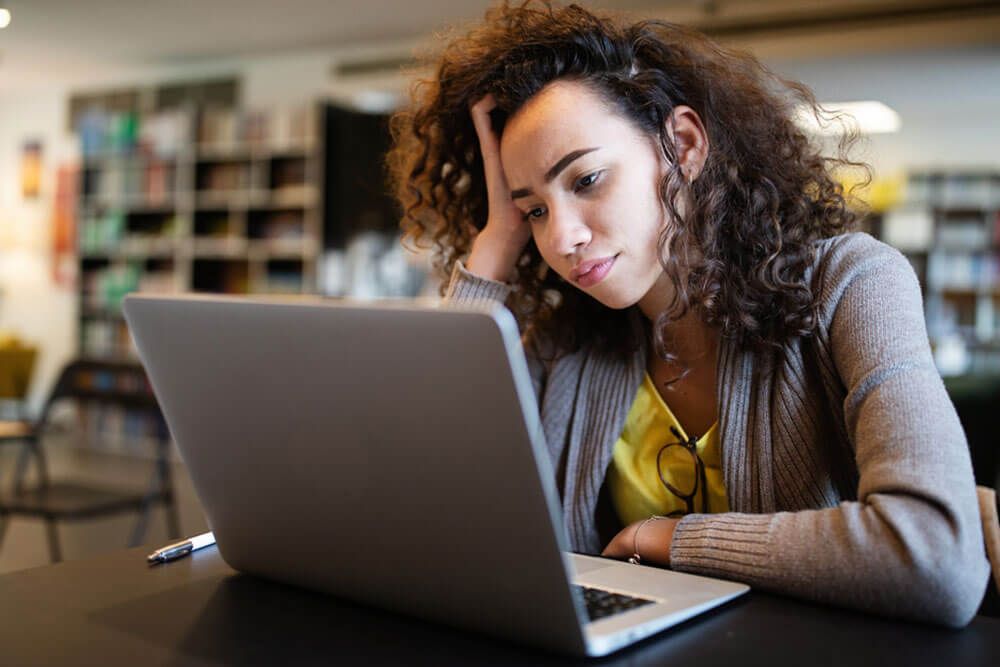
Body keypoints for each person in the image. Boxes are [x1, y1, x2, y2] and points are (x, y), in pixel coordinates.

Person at [387, 1, 994, 626]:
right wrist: (494, 247)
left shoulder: (853, 282)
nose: (562, 236)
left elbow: (935, 559)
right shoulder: (563, 344)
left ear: (682, 145)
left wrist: (671, 539)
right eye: (535, 210)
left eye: (587, 179)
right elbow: (421, 515)